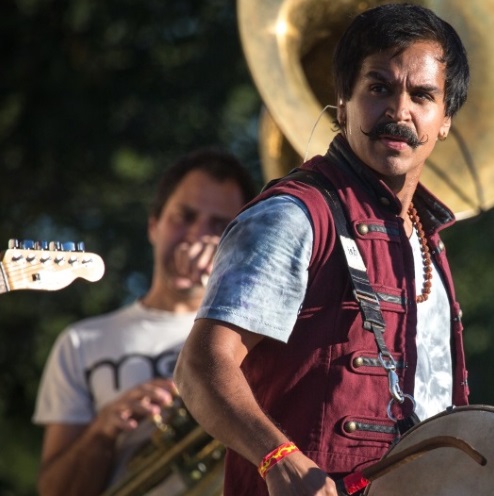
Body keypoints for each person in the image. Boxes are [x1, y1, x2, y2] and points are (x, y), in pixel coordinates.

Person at [174, 4, 471, 496]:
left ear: (445, 120)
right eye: (379, 88)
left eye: (422, 95)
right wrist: (278, 458)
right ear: (343, 100)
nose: (399, 111)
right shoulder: (291, 216)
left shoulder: (430, 240)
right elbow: (200, 367)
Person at [32, 147, 256, 496]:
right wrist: (104, 429)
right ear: (154, 225)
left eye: (220, 227)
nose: (198, 237)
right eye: (184, 216)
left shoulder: (255, 341)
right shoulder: (82, 341)